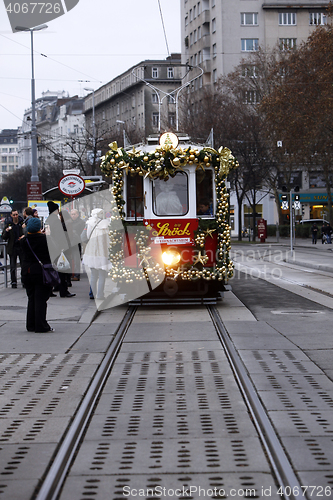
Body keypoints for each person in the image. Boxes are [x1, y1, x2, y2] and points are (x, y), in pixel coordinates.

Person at [20, 217, 54, 332]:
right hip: (41, 272)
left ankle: (30, 324)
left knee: (31, 298)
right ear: (40, 227)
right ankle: (40, 325)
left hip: (27, 272)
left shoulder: (24, 240)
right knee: (40, 299)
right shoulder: (45, 240)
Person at [46, 202, 76, 298]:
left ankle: (50, 290)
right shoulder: (56, 220)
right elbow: (60, 235)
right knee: (62, 269)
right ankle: (64, 290)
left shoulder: (48, 219)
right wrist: (64, 246)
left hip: (50, 247)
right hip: (58, 248)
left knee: (52, 269)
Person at [82, 208, 111, 300]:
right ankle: (100, 295)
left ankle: (92, 293)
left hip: (92, 250)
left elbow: (87, 235)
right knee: (102, 275)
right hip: (103, 251)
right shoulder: (106, 223)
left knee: (93, 274)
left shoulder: (90, 223)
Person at [2, 209, 24, 287]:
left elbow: (26, 232)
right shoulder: (9, 224)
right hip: (13, 247)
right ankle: (13, 281)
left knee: (23, 265)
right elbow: (4, 237)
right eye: (14, 215)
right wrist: (7, 231)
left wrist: (23, 236)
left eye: (16, 214)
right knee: (12, 266)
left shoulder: (22, 223)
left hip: (21, 246)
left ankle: (23, 280)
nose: (15, 216)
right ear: (11, 215)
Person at [70, 208, 86, 281]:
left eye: (74, 214)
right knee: (70, 259)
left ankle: (77, 275)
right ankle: (70, 274)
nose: (73, 216)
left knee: (76, 260)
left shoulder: (81, 222)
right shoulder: (69, 222)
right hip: (69, 243)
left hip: (77, 243)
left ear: (77, 214)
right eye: (72, 214)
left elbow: (82, 233)